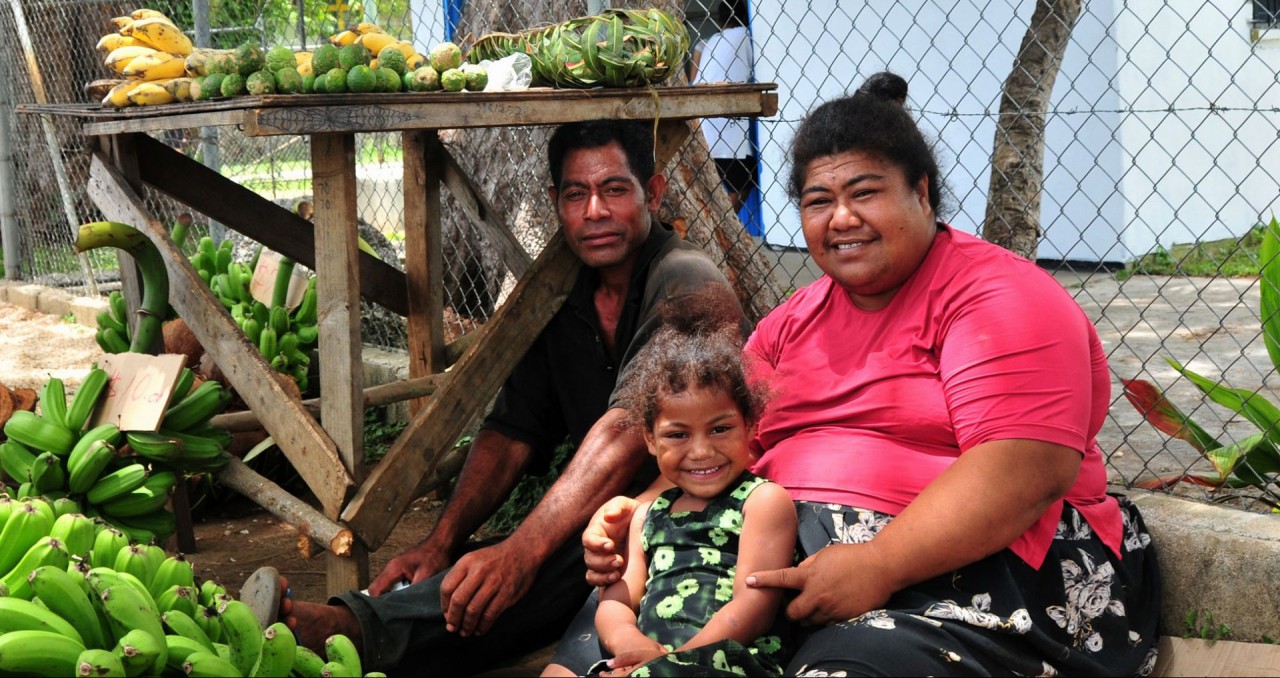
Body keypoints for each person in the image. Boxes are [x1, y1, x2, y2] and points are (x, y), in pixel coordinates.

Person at [572, 72, 1163, 676]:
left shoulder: (999, 298)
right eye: (818, 201)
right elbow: (715, 437)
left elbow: (1025, 467)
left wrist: (879, 563)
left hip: (974, 577)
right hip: (776, 565)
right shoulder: (788, 323)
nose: (842, 218)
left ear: (922, 194)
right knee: (591, 653)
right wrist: (640, 511)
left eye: (865, 193)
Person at [244, 119, 744, 675]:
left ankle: (350, 631)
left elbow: (627, 429)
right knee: (494, 569)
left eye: (616, 190)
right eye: (576, 195)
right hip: (605, 517)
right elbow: (514, 429)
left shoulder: (687, 280)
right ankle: (360, 631)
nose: (594, 211)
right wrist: (443, 541)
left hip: (697, 506)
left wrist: (520, 552)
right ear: (555, 202)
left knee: (547, 556)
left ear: (653, 192)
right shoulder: (563, 290)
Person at [581, 285, 795, 677]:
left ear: (749, 425)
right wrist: (630, 644)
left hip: (728, 662)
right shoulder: (649, 515)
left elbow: (754, 608)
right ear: (649, 439)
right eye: (678, 435)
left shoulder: (762, 502)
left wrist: (672, 662)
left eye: (720, 429)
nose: (700, 451)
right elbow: (615, 599)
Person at [692, 0, 757, 214]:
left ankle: (718, 223)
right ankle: (724, 223)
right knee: (744, 184)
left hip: (707, 125)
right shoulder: (745, 36)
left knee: (722, 181)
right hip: (729, 130)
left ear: (720, 20)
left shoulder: (713, 40)